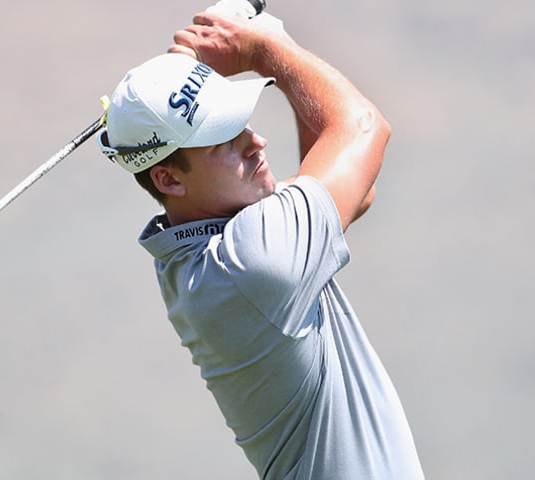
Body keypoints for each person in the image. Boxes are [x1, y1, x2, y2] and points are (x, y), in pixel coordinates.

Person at [96, 8, 424, 480]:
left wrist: (273, 41)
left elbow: (354, 190)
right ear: (167, 178)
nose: (257, 141)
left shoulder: (211, 248)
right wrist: (263, 49)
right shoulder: (253, 263)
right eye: (223, 140)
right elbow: (364, 128)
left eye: (242, 123)